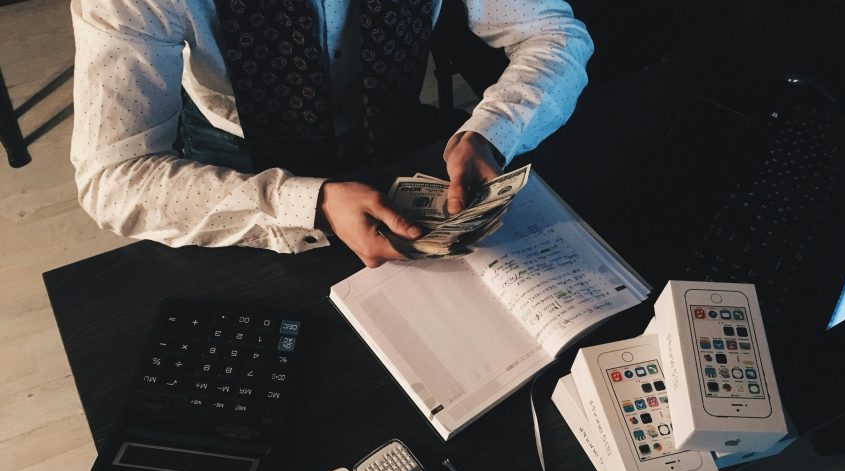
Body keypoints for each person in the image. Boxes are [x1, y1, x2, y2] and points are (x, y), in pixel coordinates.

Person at [70, 0, 593, 267]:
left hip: (398, 136)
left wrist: (494, 130)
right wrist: (309, 204)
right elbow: (112, 178)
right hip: (237, 165)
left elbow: (553, 33)